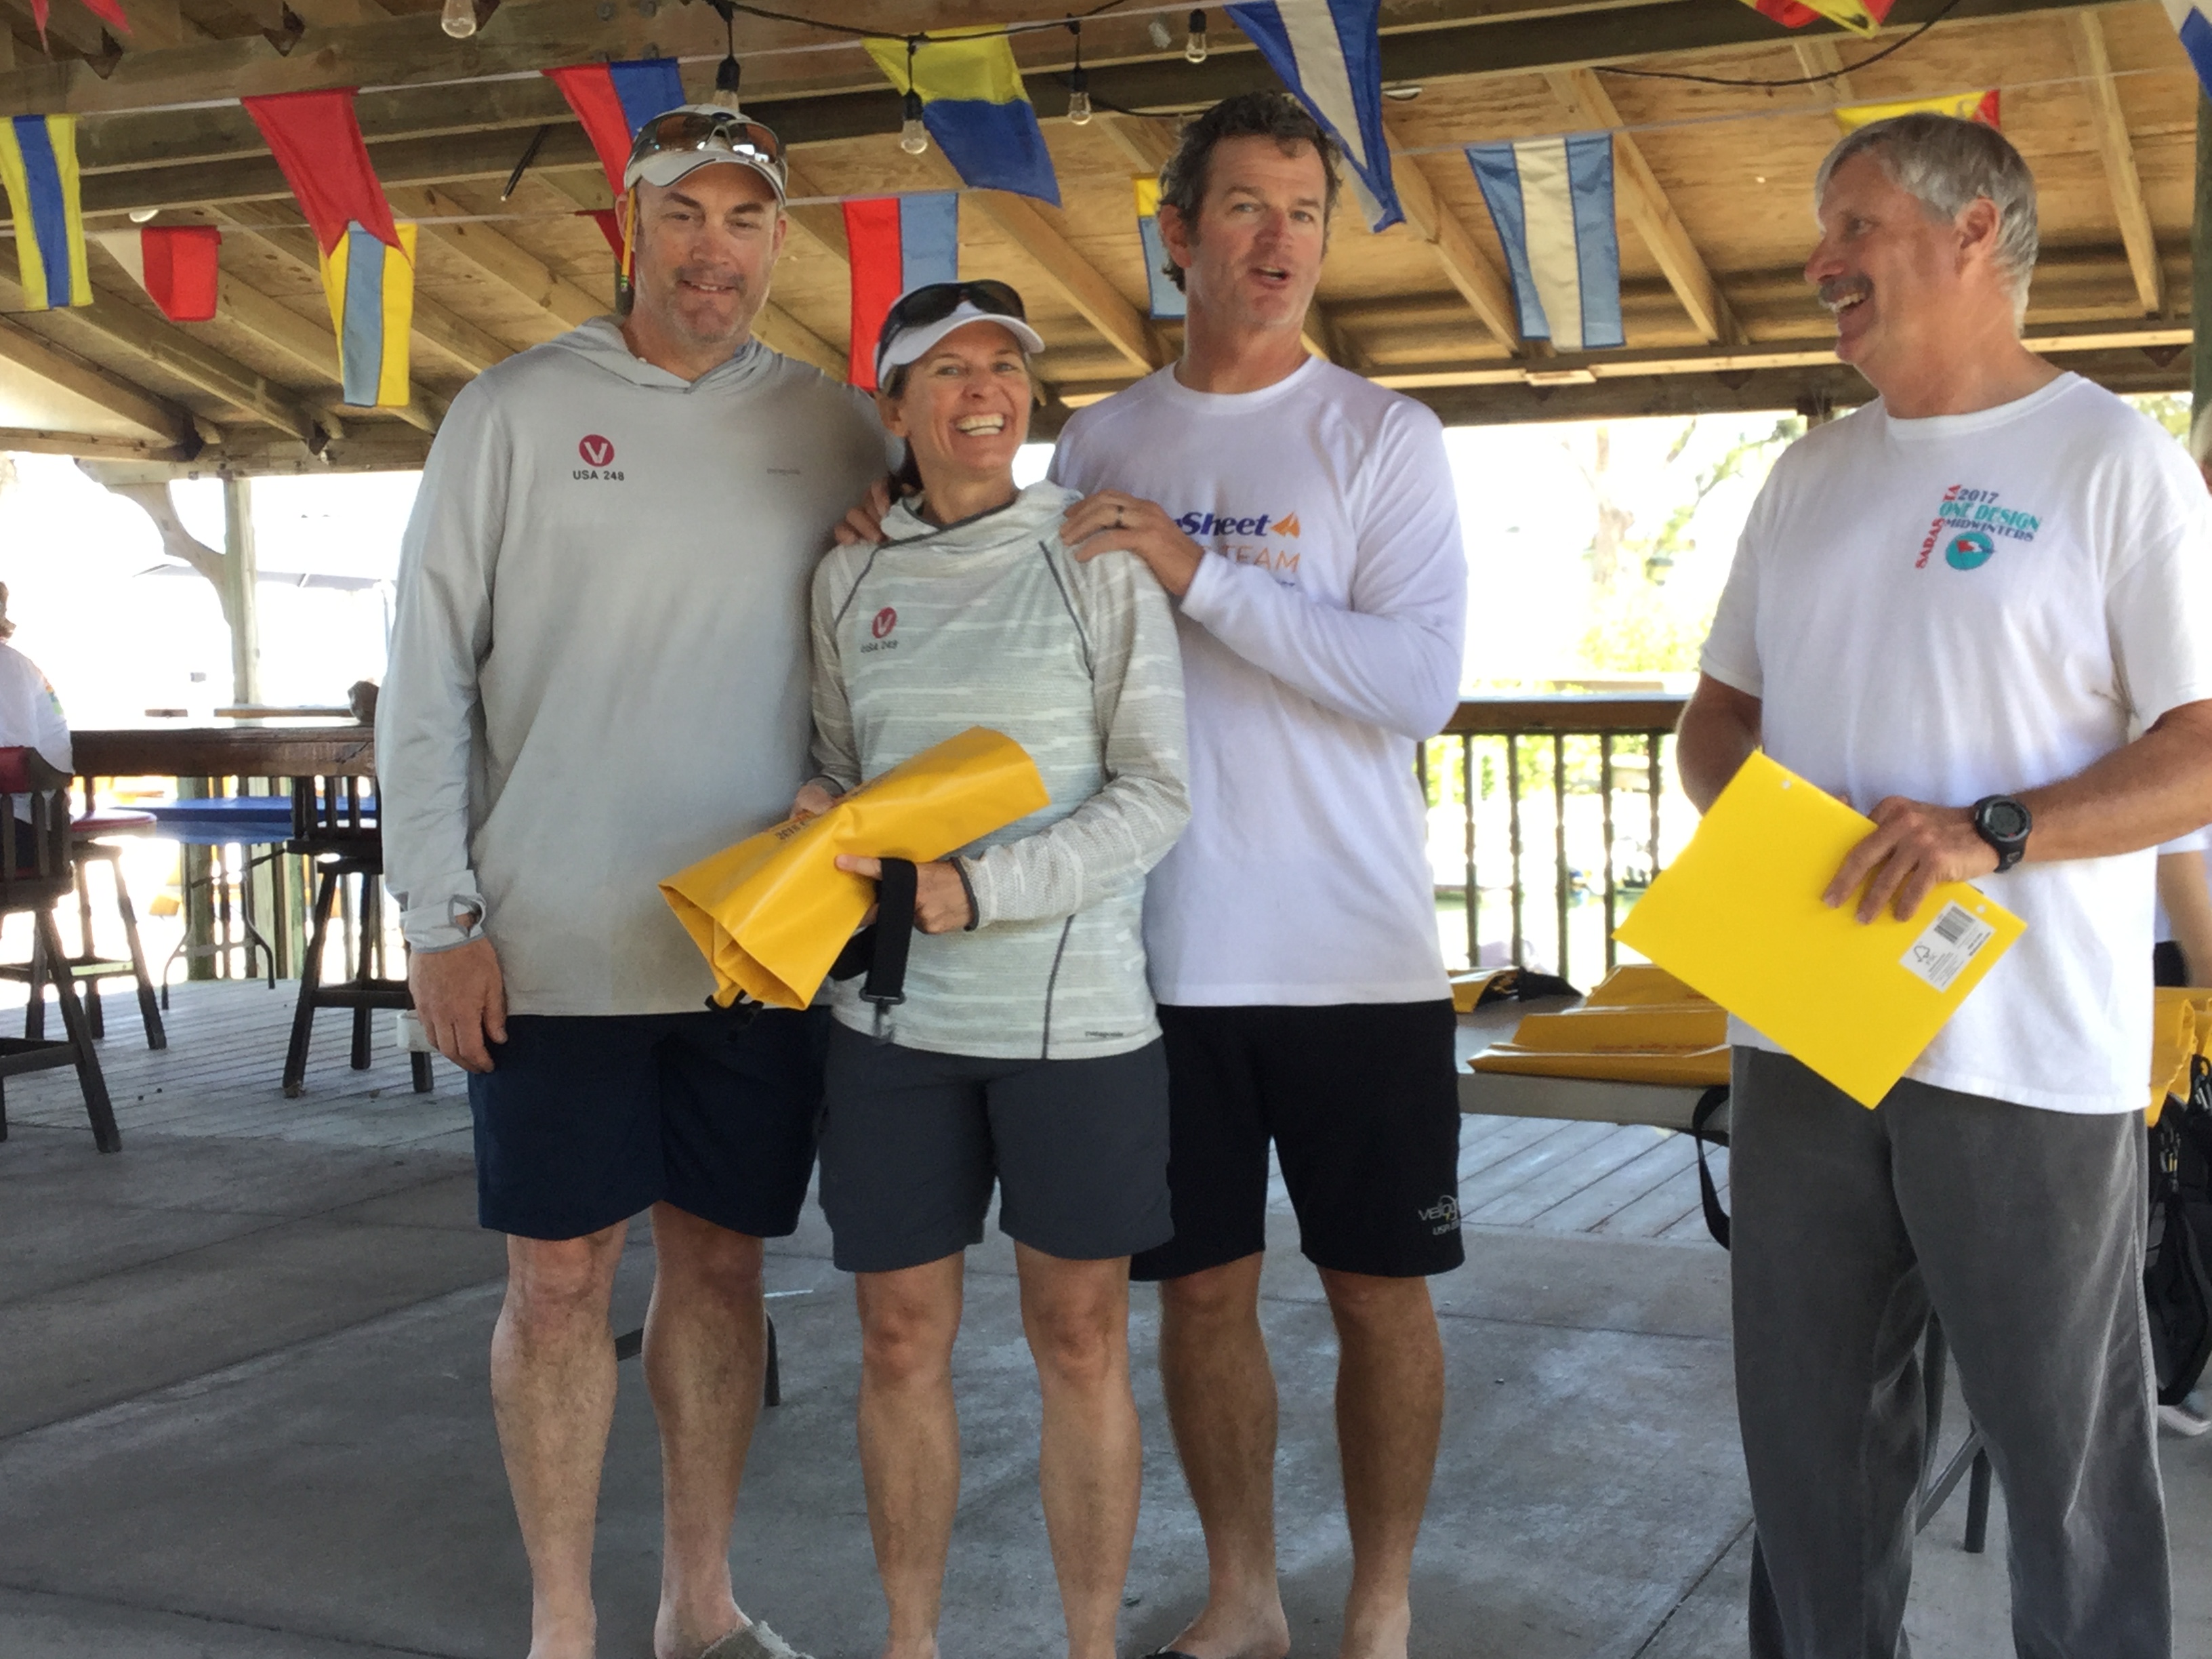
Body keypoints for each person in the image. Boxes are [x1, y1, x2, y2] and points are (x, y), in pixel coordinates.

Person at [1676, 112, 2212, 1658]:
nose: (1819, 261)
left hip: (2024, 1054)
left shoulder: (2114, 462)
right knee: (1810, 1459)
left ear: (1975, 232)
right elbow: (1715, 724)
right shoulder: (1807, 476)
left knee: (2067, 1470)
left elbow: (2199, 749)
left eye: (1853, 224)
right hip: (1803, 1024)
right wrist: (1782, 842)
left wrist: (1996, 831)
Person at [378, 106, 889, 1659]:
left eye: (744, 220)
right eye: (684, 214)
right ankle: (562, 1625)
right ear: (628, 225)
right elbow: (424, 680)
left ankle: (697, 1605)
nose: (712, 250)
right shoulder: (511, 412)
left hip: (759, 943)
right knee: (555, 1282)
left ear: (778, 242)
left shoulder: (839, 425)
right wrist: (437, 917)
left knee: (724, 1271)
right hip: (550, 938)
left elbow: (909, 631)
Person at [1059, 92, 1468, 1659]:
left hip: (1355, 953)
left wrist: (1197, 570)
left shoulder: (1383, 436)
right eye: (1246, 206)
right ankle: (1245, 1597)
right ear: (1178, 234)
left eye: (1304, 211)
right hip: (1157, 953)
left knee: (1380, 1293)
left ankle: (1379, 1606)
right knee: (1201, 1296)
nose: (1280, 238)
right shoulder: (1099, 440)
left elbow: (1414, 684)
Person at [798, 280, 1188, 1659]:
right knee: (899, 1341)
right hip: (890, 1026)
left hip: (1077, 1030)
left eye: (1006, 368)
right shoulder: (846, 575)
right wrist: (817, 816)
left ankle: (1090, 1646)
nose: (985, 392)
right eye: (950, 370)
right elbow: (840, 771)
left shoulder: (1095, 556)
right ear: (895, 405)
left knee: (1079, 1343)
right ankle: (911, 1643)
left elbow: (1157, 793)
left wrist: (979, 892)